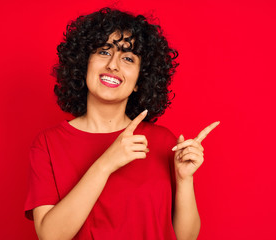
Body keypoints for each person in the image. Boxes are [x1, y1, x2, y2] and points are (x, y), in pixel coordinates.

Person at [24, 7, 219, 240]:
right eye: (104, 52)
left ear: (140, 80)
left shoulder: (164, 142)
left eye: (128, 58)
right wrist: (105, 163)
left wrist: (185, 180)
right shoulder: (48, 144)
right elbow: (51, 236)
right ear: (84, 64)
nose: (113, 65)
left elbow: (185, 238)